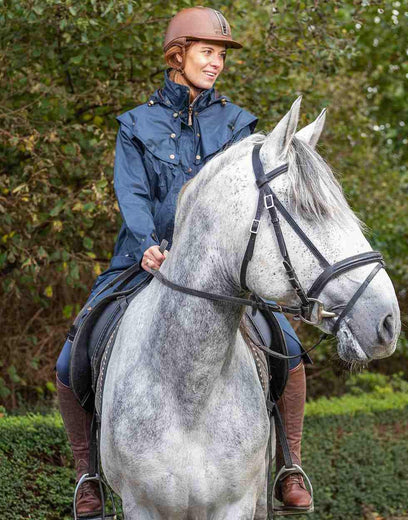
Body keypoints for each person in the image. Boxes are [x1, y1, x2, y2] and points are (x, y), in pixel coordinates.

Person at [56, 6, 312, 517]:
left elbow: (244, 198)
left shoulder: (240, 124)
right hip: (143, 259)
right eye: (207, 51)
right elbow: (130, 192)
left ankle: (289, 463)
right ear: (178, 55)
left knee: (288, 348)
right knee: (70, 358)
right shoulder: (136, 124)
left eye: (220, 54)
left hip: (220, 271)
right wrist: (147, 240)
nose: (216, 62)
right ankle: (87, 474)